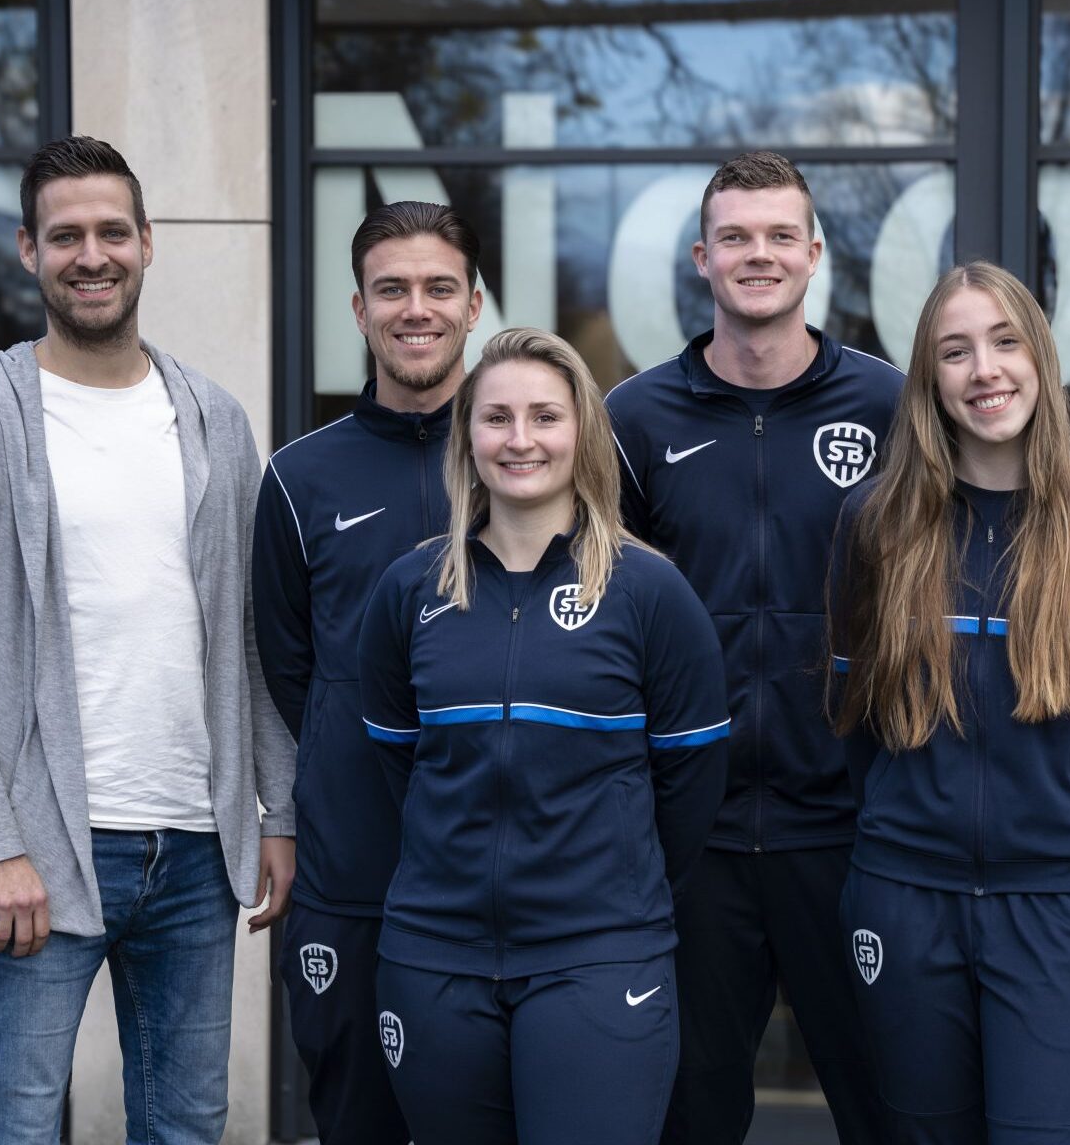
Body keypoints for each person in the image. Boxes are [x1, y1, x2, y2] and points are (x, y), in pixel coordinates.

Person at [0, 135, 295, 1144]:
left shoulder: (213, 419)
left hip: (198, 855)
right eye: (65, 235)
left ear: (149, 244)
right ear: (29, 252)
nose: (92, 254)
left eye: (112, 231)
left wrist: (275, 812)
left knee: (186, 1127)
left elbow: (254, 638)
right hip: (36, 855)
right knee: (16, 1126)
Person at [827, 262, 1070, 1143]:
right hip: (905, 901)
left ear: (1040, 356)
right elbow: (851, 717)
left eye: (1004, 341)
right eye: (956, 351)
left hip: (1058, 910)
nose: (984, 370)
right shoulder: (875, 522)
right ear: (930, 380)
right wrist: (910, 824)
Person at [358, 327, 730, 1145]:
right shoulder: (410, 588)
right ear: (466, 436)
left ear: (581, 433)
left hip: (598, 959)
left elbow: (691, 783)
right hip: (435, 956)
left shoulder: (650, 593)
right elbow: (399, 766)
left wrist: (605, 882)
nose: (519, 439)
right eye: (496, 418)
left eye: (544, 417)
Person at [605, 149, 899, 1145]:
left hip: (852, 831)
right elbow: (607, 621)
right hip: (696, 841)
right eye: (734, 235)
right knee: (689, 1118)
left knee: (888, 1106)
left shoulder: (891, 409)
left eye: (779, 235)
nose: (756, 254)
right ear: (701, 256)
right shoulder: (633, 419)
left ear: (814, 254)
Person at [253, 200, 482, 1143]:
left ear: (474, 304)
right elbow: (289, 674)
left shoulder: (534, 455)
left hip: (502, 874)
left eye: (438, 287)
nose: (415, 308)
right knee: (358, 1120)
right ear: (358, 309)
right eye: (392, 289)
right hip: (352, 878)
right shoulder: (300, 480)